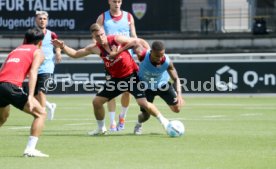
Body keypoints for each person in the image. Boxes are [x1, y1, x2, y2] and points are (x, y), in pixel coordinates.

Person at [52, 23, 169, 135]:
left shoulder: (116, 39)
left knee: (142, 103)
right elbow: (75, 54)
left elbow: (136, 41)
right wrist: (63, 46)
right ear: (93, 37)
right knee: (96, 102)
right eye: (97, 36)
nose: (101, 37)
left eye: (102, 34)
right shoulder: (94, 48)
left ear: (104, 32)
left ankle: (165, 122)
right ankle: (101, 128)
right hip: (116, 80)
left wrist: (122, 52)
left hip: (132, 76)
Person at [0, 28, 49, 157]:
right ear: (40, 42)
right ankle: (30, 149)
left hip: (1, 85)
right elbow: (33, 73)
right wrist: (31, 96)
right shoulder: (38, 52)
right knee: (41, 114)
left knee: (2, 117)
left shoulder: (14, 50)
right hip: (11, 86)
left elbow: (2, 68)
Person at [96, 0, 137, 131]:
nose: (117, 3)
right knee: (110, 92)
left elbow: (134, 36)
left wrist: (138, 51)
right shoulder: (102, 17)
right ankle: (112, 122)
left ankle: (122, 116)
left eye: (119, 1)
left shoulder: (129, 16)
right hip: (111, 61)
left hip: (127, 60)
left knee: (127, 91)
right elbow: (95, 36)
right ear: (109, 2)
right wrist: (100, 51)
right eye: (114, 1)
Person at [133, 41, 185, 135]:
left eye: (162, 55)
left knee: (177, 109)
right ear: (151, 51)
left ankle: (170, 126)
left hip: (162, 85)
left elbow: (176, 78)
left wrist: (179, 95)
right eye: (157, 56)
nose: (159, 58)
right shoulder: (143, 54)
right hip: (146, 87)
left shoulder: (167, 62)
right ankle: (138, 124)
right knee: (145, 116)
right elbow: (134, 43)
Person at [34, 11, 61, 120]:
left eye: (44, 19)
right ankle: (50, 106)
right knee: (34, 95)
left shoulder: (52, 34)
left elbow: (58, 45)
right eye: (40, 18)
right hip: (35, 67)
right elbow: (26, 47)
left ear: (47, 20)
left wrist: (58, 52)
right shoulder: (31, 33)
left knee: (41, 92)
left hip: (47, 67)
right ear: (36, 20)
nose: (42, 20)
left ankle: (42, 116)